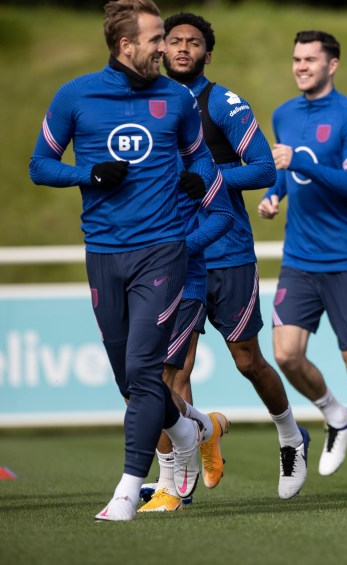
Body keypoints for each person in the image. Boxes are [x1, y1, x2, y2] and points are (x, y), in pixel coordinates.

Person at [29, 0, 219, 521]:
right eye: (157, 39)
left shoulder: (177, 98)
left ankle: (128, 489)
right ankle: (189, 429)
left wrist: (199, 177)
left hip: (163, 250)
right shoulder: (75, 96)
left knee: (142, 368)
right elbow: (40, 165)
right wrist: (85, 174)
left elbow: (200, 156)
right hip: (103, 255)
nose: (167, 48)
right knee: (128, 380)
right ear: (126, 43)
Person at [161, 12, 310, 500]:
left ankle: (291, 435)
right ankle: (178, 472)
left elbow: (264, 169)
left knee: (247, 360)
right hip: (173, 255)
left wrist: (209, 178)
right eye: (175, 41)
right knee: (171, 370)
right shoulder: (146, 106)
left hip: (226, 251)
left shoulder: (221, 102)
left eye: (194, 43)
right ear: (160, 49)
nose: (183, 48)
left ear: (208, 52)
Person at [258, 30, 347, 490]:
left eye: (310, 59)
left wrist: (298, 164)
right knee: (286, 355)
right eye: (296, 58)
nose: (300, 66)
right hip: (299, 257)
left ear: (332, 65)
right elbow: (286, 173)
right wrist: (274, 195)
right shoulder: (283, 114)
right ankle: (336, 414)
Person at [138, 163, 235, 512]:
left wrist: (179, 248)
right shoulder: (132, 149)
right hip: (137, 280)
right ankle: (204, 426)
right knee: (138, 382)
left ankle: (170, 488)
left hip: (184, 282)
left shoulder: (195, 156)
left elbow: (224, 215)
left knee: (165, 378)